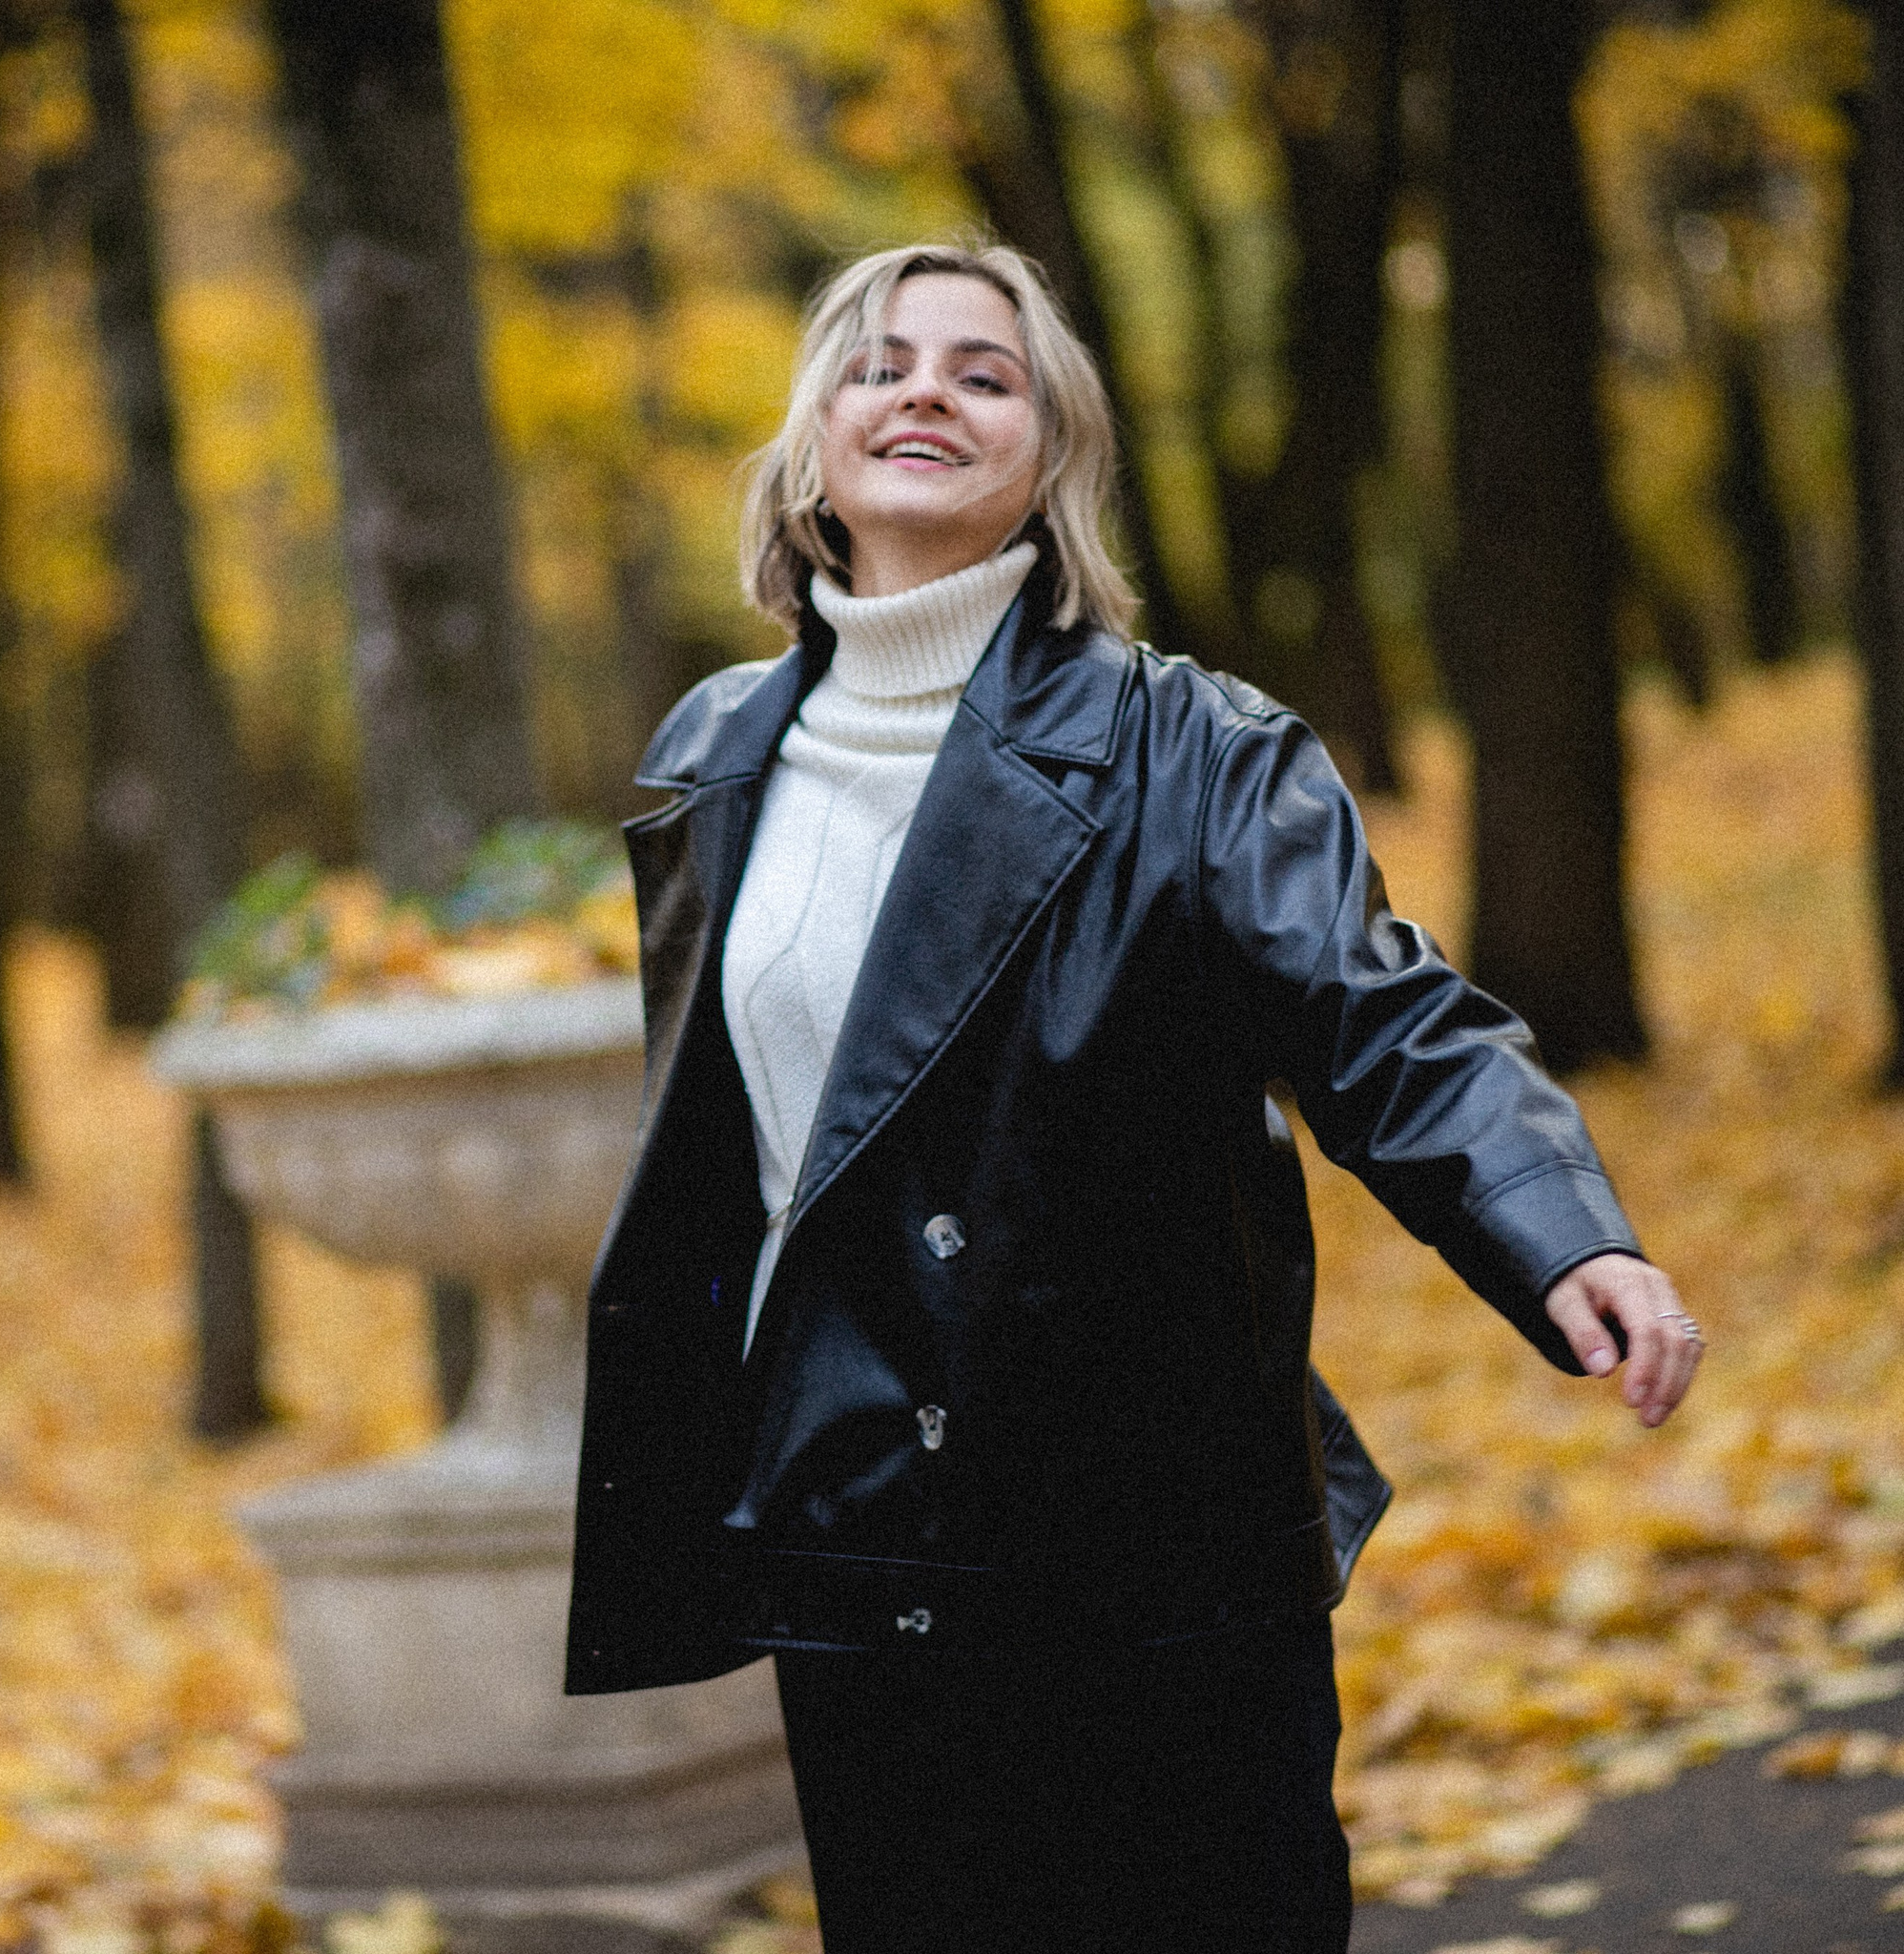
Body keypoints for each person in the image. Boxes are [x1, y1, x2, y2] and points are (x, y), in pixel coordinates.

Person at [564, 240, 1701, 1951]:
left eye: (983, 370)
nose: (925, 388)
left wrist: (1559, 1231)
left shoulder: (1202, 750)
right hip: (860, 1523)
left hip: (1152, 1523)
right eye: (877, 365)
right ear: (813, 448)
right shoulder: (713, 754)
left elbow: (1382, 1016)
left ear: (1054, 458)